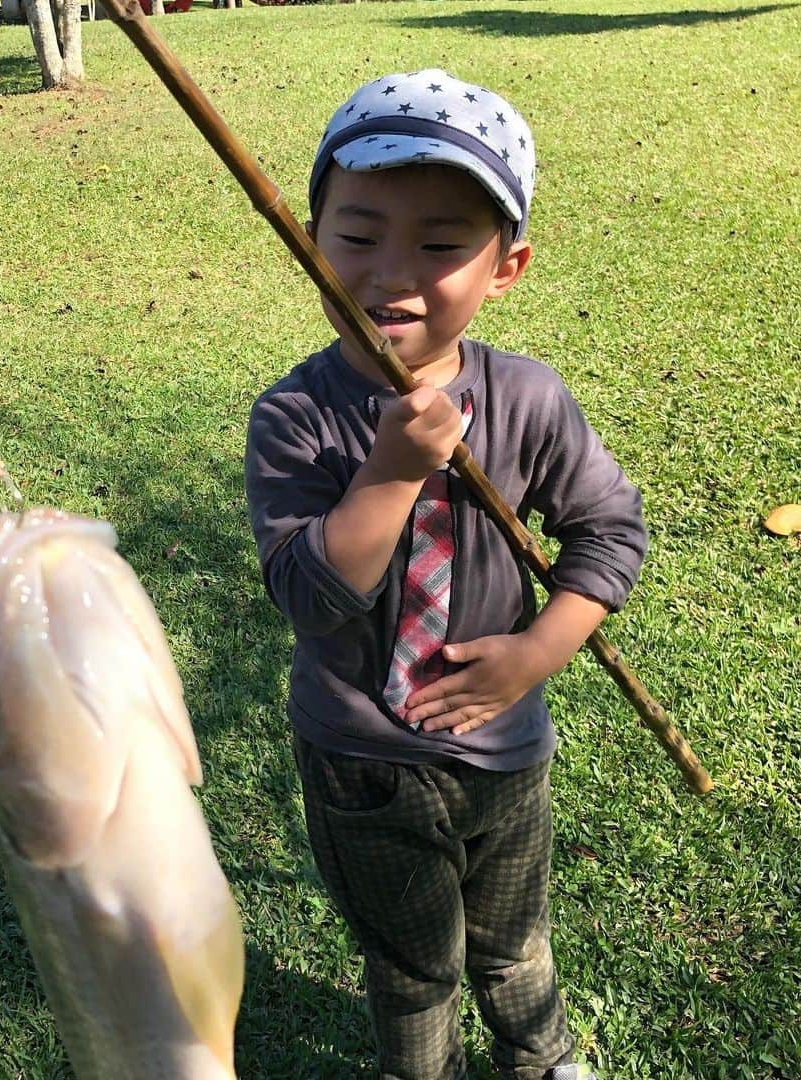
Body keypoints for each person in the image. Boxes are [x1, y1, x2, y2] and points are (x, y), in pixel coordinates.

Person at [244, 69, 647, 1080]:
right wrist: (387, 474)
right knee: (416, 968)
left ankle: (540, 1056)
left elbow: (609, 531)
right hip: (361, 763)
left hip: (506, 752)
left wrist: (535, 655)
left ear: (504, 268)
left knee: (512, 942)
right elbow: (310, 596)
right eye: (358, 234)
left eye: (438, 245)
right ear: (308, 238)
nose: (391, 274)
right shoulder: (294, 419)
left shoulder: (528, 401)